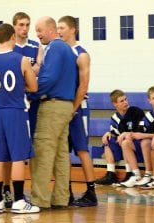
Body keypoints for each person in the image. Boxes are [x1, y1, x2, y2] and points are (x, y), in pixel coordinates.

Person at [0, 23, 39, 213]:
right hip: (15, 111)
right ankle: (18, 201)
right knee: (18, 157)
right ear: (12, 37)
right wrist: (20, 87)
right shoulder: (21, 59)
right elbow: (33, 87)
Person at [29, 16, 77, 209]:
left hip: (53, 106)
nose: (37, 34)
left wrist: (32, 94)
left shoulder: (55, 48)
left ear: (51, 30)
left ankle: (39, 200)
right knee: (61, 155)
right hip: (65, 105)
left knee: (43, 153)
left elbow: (48, 78)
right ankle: (60, 198)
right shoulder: (66, 49)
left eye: (39, 30)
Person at [0, 12, 44, 208]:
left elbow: (39, 74)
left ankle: (31, 191)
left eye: (27, 25)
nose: (24, 29)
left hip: (32, 105)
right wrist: (30, 71)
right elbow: (29, 73)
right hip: (14, 105)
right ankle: (9, 191)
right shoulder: (7, 49)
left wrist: (35, 69)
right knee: (11, 152)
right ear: (13, 27)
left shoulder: (36, 47)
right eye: (20, 25)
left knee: (29, 151)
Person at [57, 15, 97, 207]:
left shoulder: (81, 54)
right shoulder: (60, 51)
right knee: (63, 152)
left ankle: (91, 192)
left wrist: (72, 109)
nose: (59, 31)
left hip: (77, 108)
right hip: (63, 108)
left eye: (62, 27)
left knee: (82, 150)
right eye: (57, 28)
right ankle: (67, 192)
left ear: (73, 29)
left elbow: (84, 86)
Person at [94, 89, 144, 185]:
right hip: (123, 146)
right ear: (115, 104)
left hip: (136, 145)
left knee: (125, 140)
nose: (125, 102)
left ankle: (129, 173)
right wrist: (108, 133)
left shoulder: (136, 112)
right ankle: (111, 174)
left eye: (125, 99)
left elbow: (141, 132)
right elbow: (116, 134)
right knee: (107, 141)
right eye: (122, 101)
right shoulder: (115, 118)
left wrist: (126, 134)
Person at [117, 86, 154, 187]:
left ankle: (148, 174)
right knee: (126, 143)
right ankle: (135, 175)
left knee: (145, 141)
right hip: (147, 147)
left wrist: (143, 135)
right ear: (149, 101)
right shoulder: (148, 116)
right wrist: (129, 135)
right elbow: (138, 133)